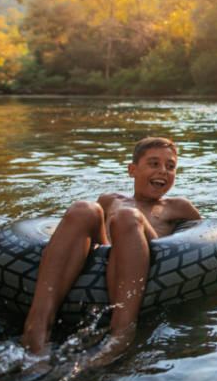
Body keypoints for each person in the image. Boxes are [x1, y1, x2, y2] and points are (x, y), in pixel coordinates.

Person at [21, 137, 201, 362]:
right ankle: (37, 326)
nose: (163, 171)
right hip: (110, 251)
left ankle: (121, 332)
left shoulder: (178, 206)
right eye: (154, 164)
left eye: (170, 166)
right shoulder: (110, 200)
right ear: (132, 170)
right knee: (83, 208)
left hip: (148, 252)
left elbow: (200, 243)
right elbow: (89, 236)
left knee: (127, 216)